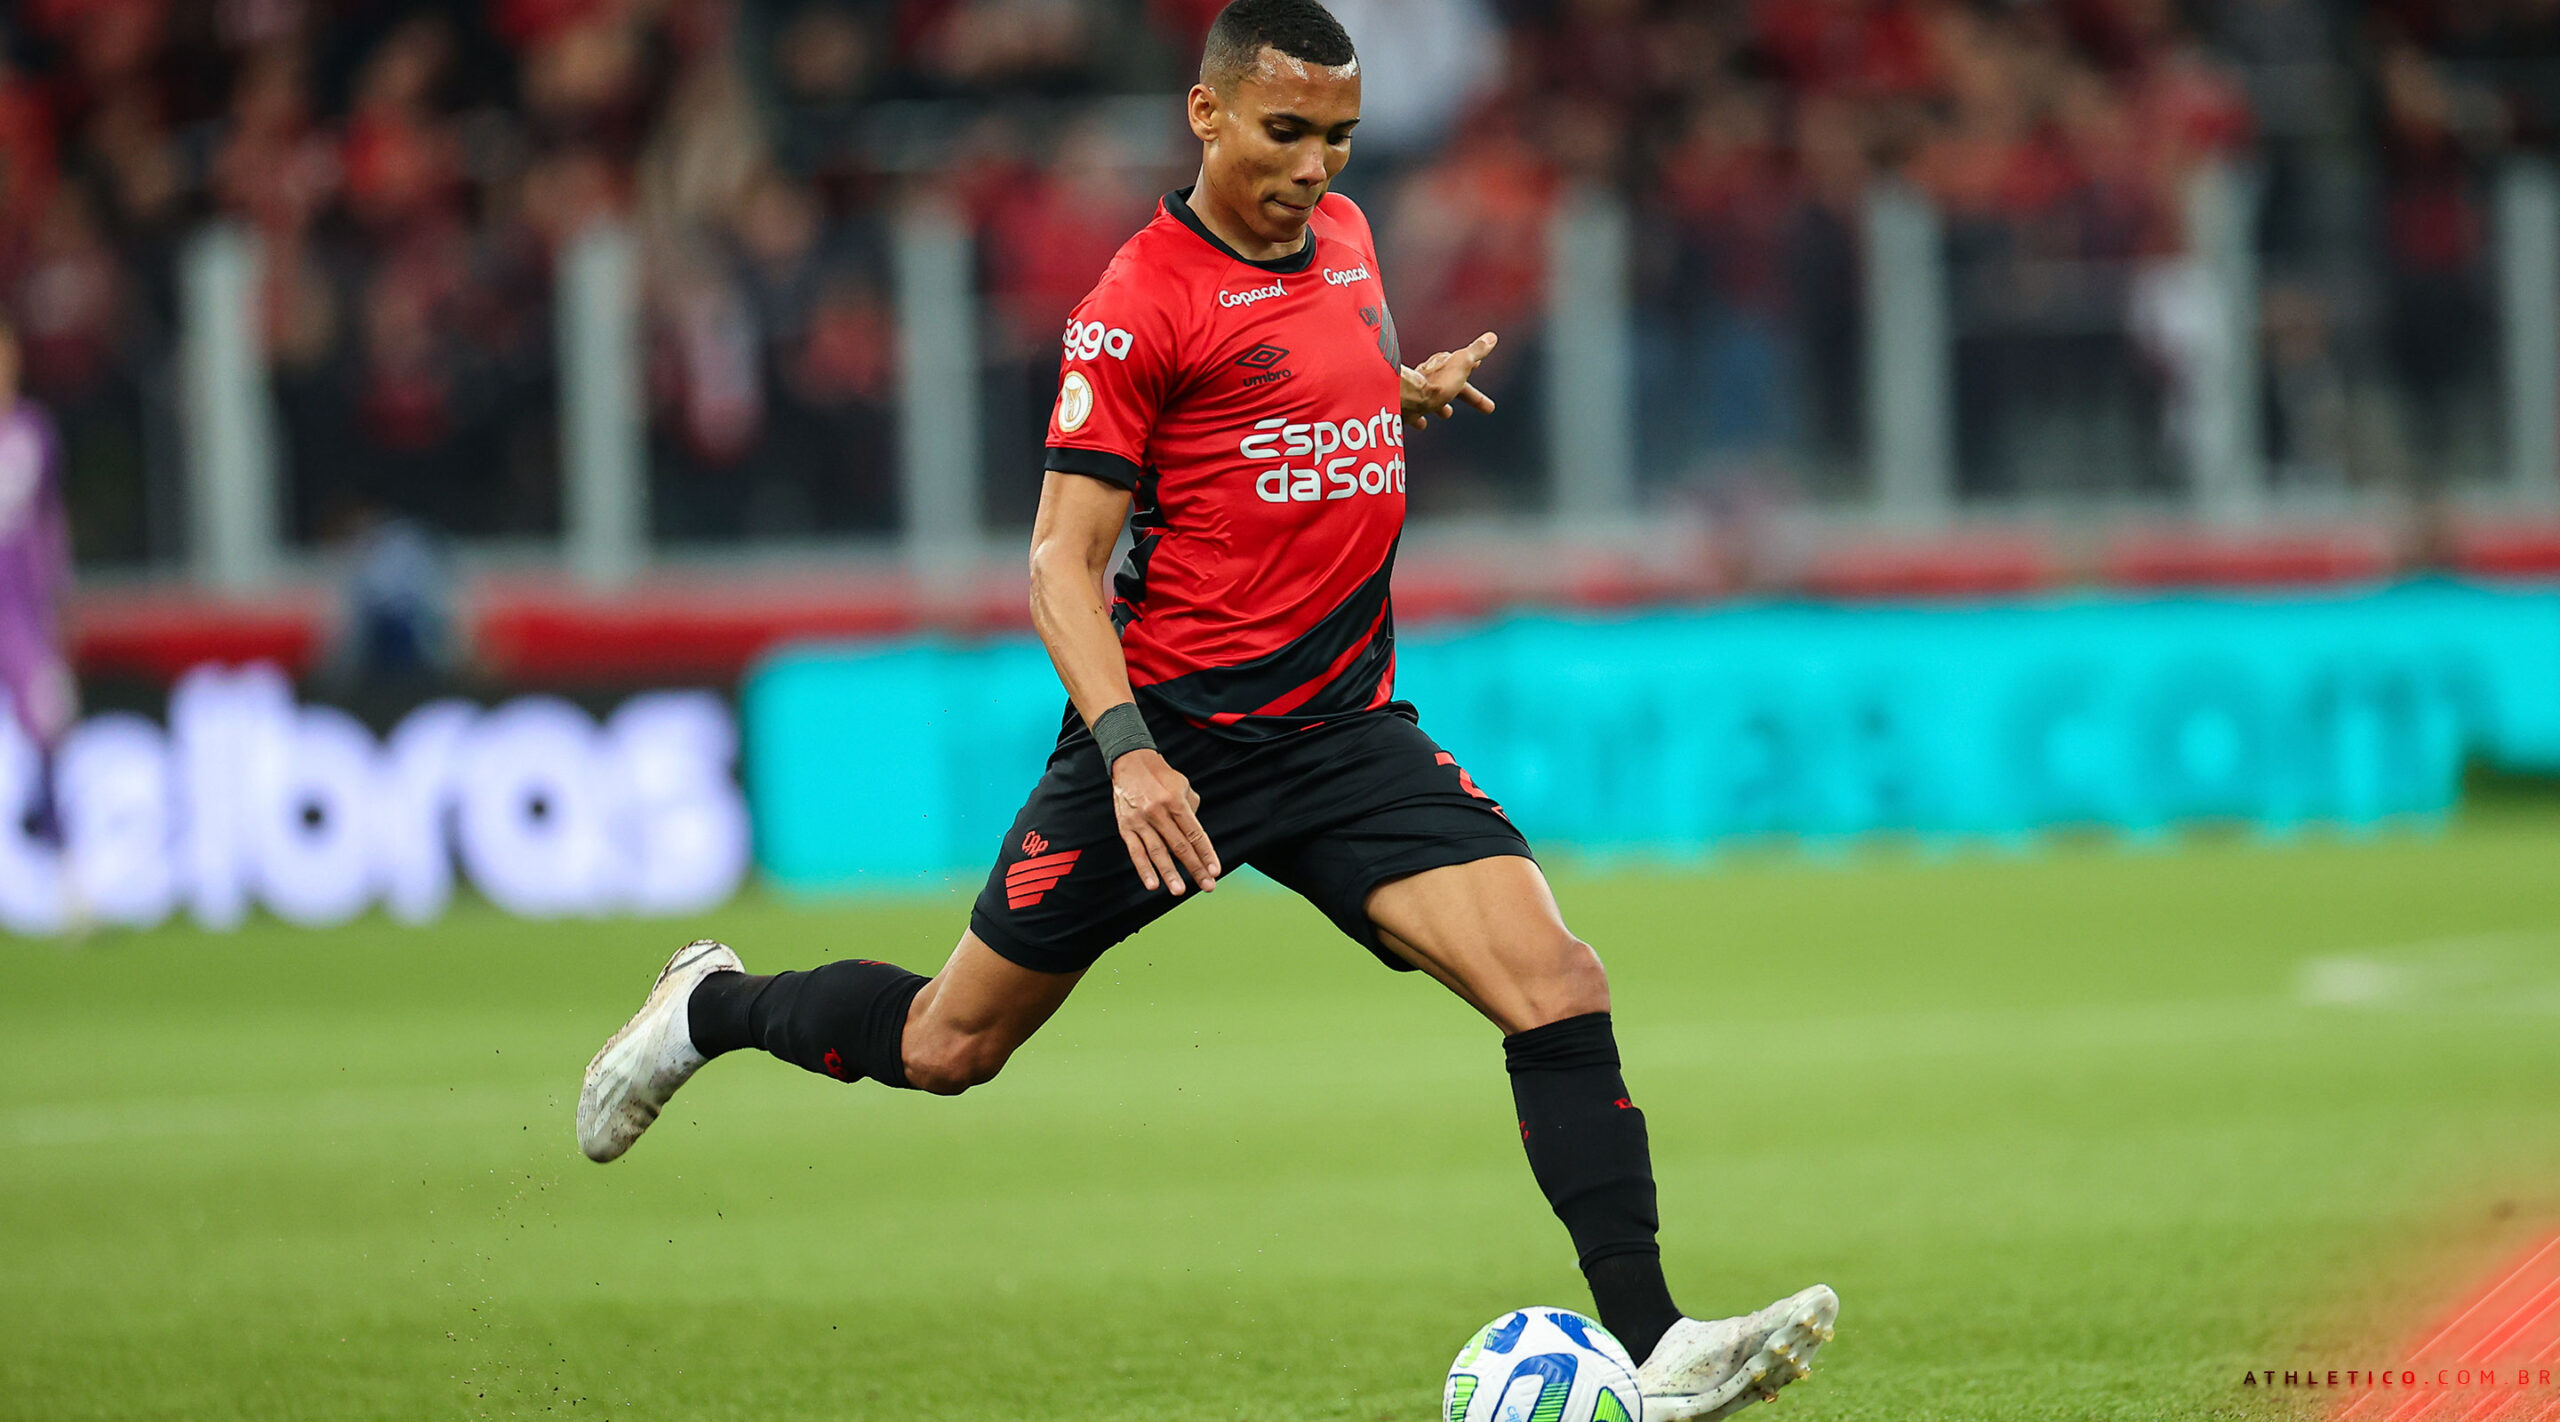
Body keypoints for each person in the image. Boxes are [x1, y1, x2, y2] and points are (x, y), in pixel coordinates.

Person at [577, 2, 1837, 1414]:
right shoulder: (1135, 305)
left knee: (1558, 983)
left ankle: (1656, 1347)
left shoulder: (1348, 236)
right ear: (1206, 112)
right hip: (1172, 740)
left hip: (1345, 731)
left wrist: (1393, 393)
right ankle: (708, 1008)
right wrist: (1128, 758)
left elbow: (1287, 395)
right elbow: (1059, 566)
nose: (1312, 166)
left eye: (1337, 137)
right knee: (949, 1044)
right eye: (1284, 131)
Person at [0, 317, 79, 847]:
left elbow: (50, 519)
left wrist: (59, 593)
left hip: (21, 607)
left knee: (48, 720)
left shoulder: (33, 431)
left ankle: (56, 846)